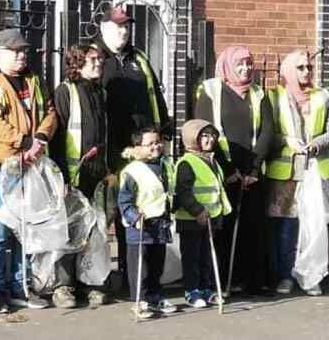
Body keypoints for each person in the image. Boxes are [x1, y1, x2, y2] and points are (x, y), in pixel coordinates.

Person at [0, 27, 58, 314]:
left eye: (23, 50)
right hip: (2, 165)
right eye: (15, 51)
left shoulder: (34, 79)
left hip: (31, 163)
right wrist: (24, 142)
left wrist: (41, 139)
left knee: (27, 228)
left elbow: (50, 112)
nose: (22, 56)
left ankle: (21, 286)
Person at [95, 5, 170, 285]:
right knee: (113, 212)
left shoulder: (139, 58)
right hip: (112, 149)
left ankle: (136, 276)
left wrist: (162, 125)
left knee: (141, 208)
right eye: (117, 26)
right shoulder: (98, 58)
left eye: (126, 26)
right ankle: (100, 278)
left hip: (143, 147)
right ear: (104, 28)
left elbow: (155, 93)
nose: (123, 31)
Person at [195, 45, 274, 295]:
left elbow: (267, 132)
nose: (245, 68)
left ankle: (250, 281)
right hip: (222, 170)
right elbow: (205, 130)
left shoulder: (259, 94)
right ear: (228, 65)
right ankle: (219, 282)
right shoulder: (211, 90)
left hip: (252, 173)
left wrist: (252, 169)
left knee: (252, 228)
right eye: (239, 63)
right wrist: (229, 169)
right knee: (224, 228)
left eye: (249, 63)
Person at [266, 50, 329, 296]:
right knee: (286, 227)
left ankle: (311, 276)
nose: (307, 71)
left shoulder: (322, 96)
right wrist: (286, 140)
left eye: (309, 67)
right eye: (300, 67)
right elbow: (267, 133)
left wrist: (317, 144)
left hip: (314, 170)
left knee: (314, 225)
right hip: (285, 173)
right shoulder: (274, 96)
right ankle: (285, 276)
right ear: (288, 70)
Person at [48, 44, 110, 308]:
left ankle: (93, 284)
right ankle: (63, 286)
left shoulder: (101, 92)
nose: (98, 63)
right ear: (77, 62)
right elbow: (57, 137)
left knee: (96, 232)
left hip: (97, 175)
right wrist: (60, 175)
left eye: (100, 59)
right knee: (69, 231)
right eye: (92, 59)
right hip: (72, 175)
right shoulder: (66, 91)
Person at [173, 120, 232, 308]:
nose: (210, 139)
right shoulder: (186, 162)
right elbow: (183, 191)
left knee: (207, 255)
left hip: (211, 217)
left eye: (212, 135)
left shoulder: (211, 160)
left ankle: (207, 288)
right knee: (192, 256)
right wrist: (197, 210)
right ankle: (192, 291)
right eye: (204, 136)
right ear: (193, 139)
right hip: (192, 219)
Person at [117, 127, 176, 318]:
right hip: (140, 227)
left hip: (160, 225)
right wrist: (134, 217)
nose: (156, 146)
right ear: (137, 147)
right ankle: (139, 300)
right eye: (150, 144)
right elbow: (124, 201)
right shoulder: (132, 171)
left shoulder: (165, 165)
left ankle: (155, 296)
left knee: (157, 265)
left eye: (157, 142)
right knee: (140, 267)